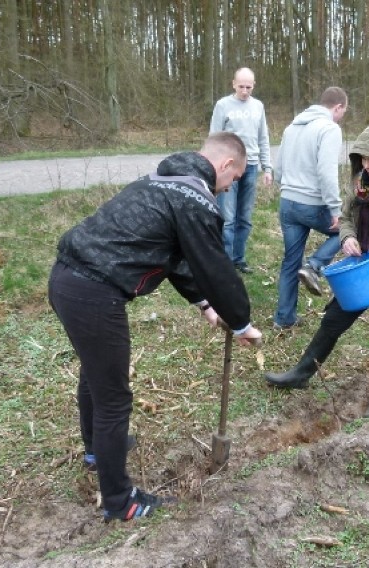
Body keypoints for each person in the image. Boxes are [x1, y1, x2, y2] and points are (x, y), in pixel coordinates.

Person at [48, 132, 263, 522]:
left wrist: (205, 305)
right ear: (225, 165)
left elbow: (175, 257)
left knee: (95, 374)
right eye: (234, 180)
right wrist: (241, 320)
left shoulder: (162, 182)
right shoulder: (195, 198)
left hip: (66, 280)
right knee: (114, 399)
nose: (230, 188)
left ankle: (97, 449)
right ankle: (120, 501)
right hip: (94, 292)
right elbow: (214, 268)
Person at [265, 121, 369, 417]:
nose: (366, 165)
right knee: (332, 321)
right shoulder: (361, 184)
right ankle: (301, 374)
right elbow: (344, 217)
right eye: (363, 158)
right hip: (361, 270)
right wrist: (348, 237)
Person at [272, 86, 348, 330]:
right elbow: (327, 172)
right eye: (342, 112)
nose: (341, 117)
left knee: (290, 261)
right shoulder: (329, 129)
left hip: (287, 202)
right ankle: (314, 266)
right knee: (348, 230)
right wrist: (336, 209)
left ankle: (284, 319)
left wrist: (288, 187)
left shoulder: (292, 127)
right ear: (337, 107)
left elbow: (279, 169)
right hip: (312, 203)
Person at [209, 67, 274, 274]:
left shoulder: (258, 106)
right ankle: (225, 262)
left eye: (249, 87)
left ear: (253, 86)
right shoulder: (223, 105)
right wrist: (213, 167)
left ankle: (239, 258)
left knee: (244, 217)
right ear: (233, 84)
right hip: (228, 167)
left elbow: (263, 138)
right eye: (241, 86)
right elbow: (214, 137)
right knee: (227, 218)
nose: (245, 91)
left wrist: (267, 168)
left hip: (251, 165)